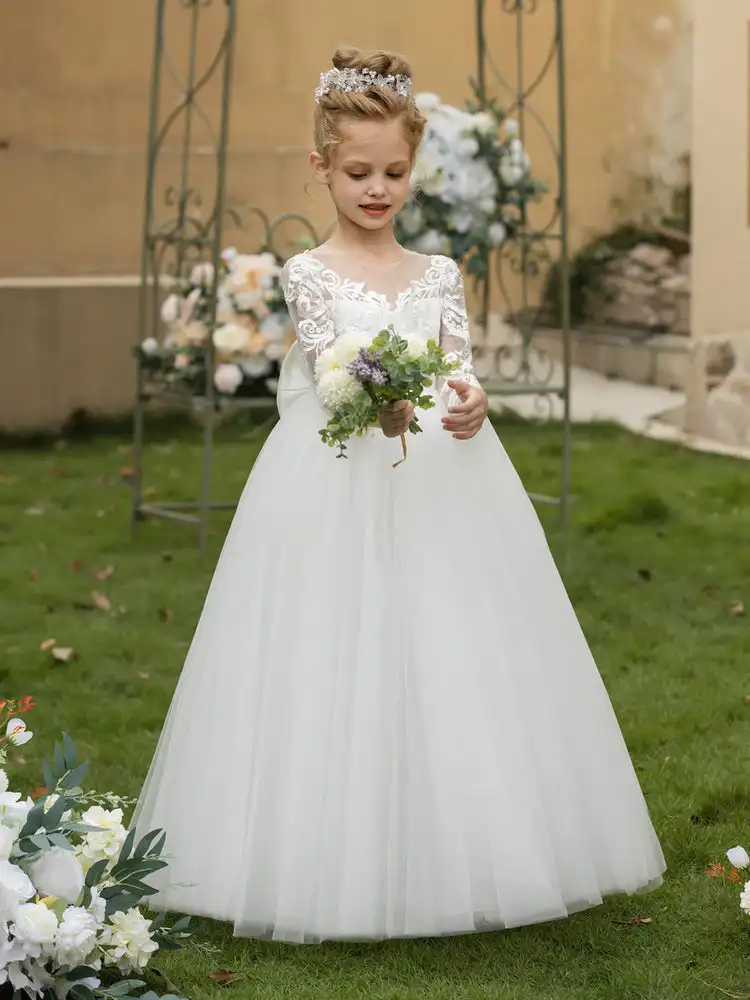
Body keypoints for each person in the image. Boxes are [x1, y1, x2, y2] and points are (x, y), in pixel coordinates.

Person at [134, 47, 666, 945]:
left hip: (442, 486)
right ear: (320, 168)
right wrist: (370, 401)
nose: (376, 189)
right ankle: (323, 848)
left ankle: (456, 834)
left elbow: (455, 366)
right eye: (357, 173)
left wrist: (471, 400)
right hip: (330, 480)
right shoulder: (309, 274)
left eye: (393, 172)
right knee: (329, 649)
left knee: (454, 643)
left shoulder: (436, 274)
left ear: (413, 169)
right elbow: (325, 371)